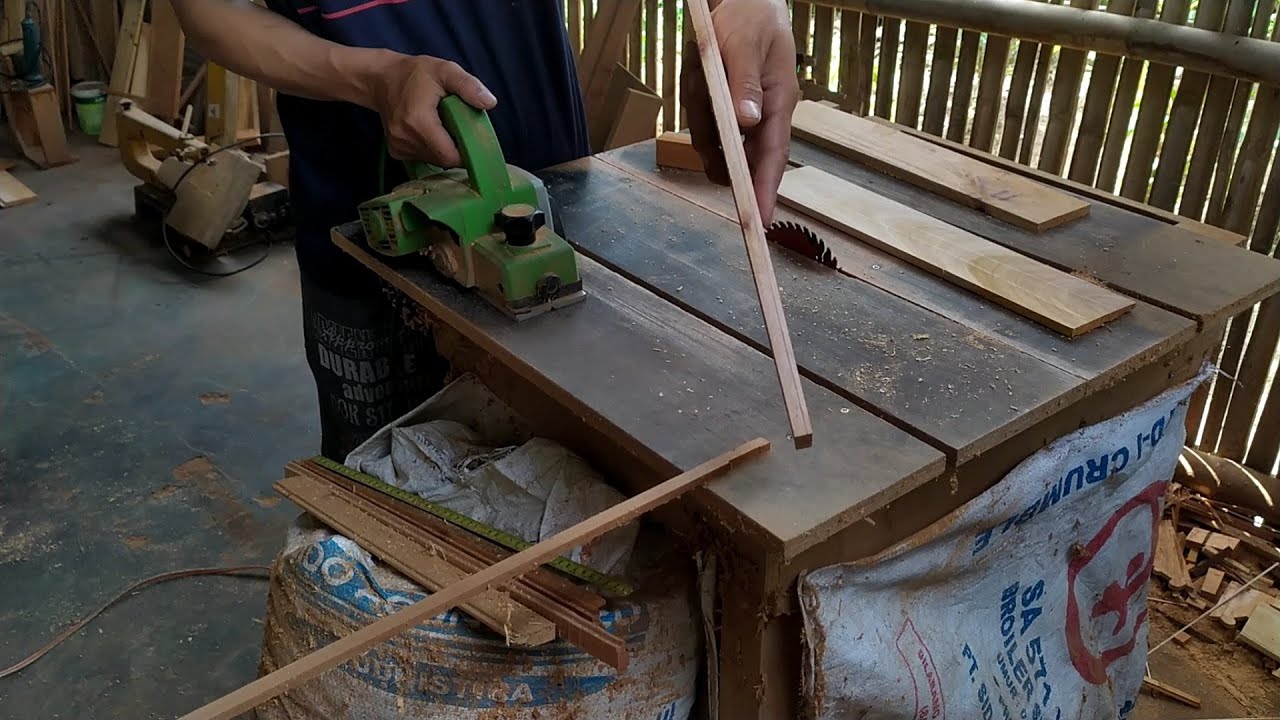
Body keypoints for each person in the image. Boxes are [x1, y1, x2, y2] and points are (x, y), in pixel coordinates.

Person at [172, 0, 799, 460]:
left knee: (584, 478)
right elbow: (210, 11)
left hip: (555, 201)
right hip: (366, 225)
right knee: (388, 506)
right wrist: (373, 78)